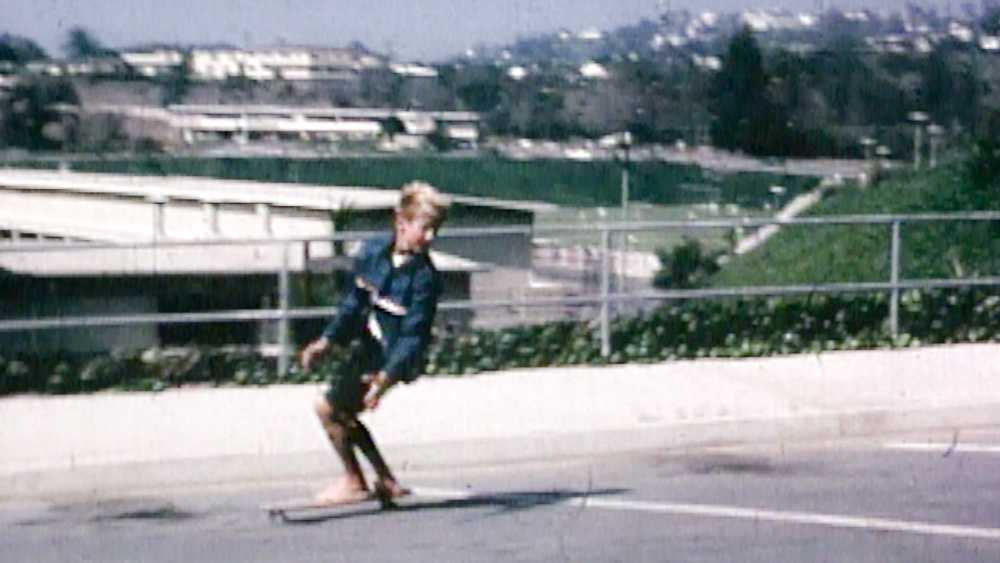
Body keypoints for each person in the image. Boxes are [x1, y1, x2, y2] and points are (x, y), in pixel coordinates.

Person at [300, 181, 450, 506]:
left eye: (435, 230)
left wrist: (385, 379)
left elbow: (413, 336)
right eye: (425, 228)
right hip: (370, 349)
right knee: (338, 411)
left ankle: (356, 481)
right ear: (401, 222)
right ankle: (385, 480)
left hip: (396, 358)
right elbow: (352, 305)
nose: (430, 237)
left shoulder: (425, 278)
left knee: (328, 408)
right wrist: (327, 341)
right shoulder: (372, 254)